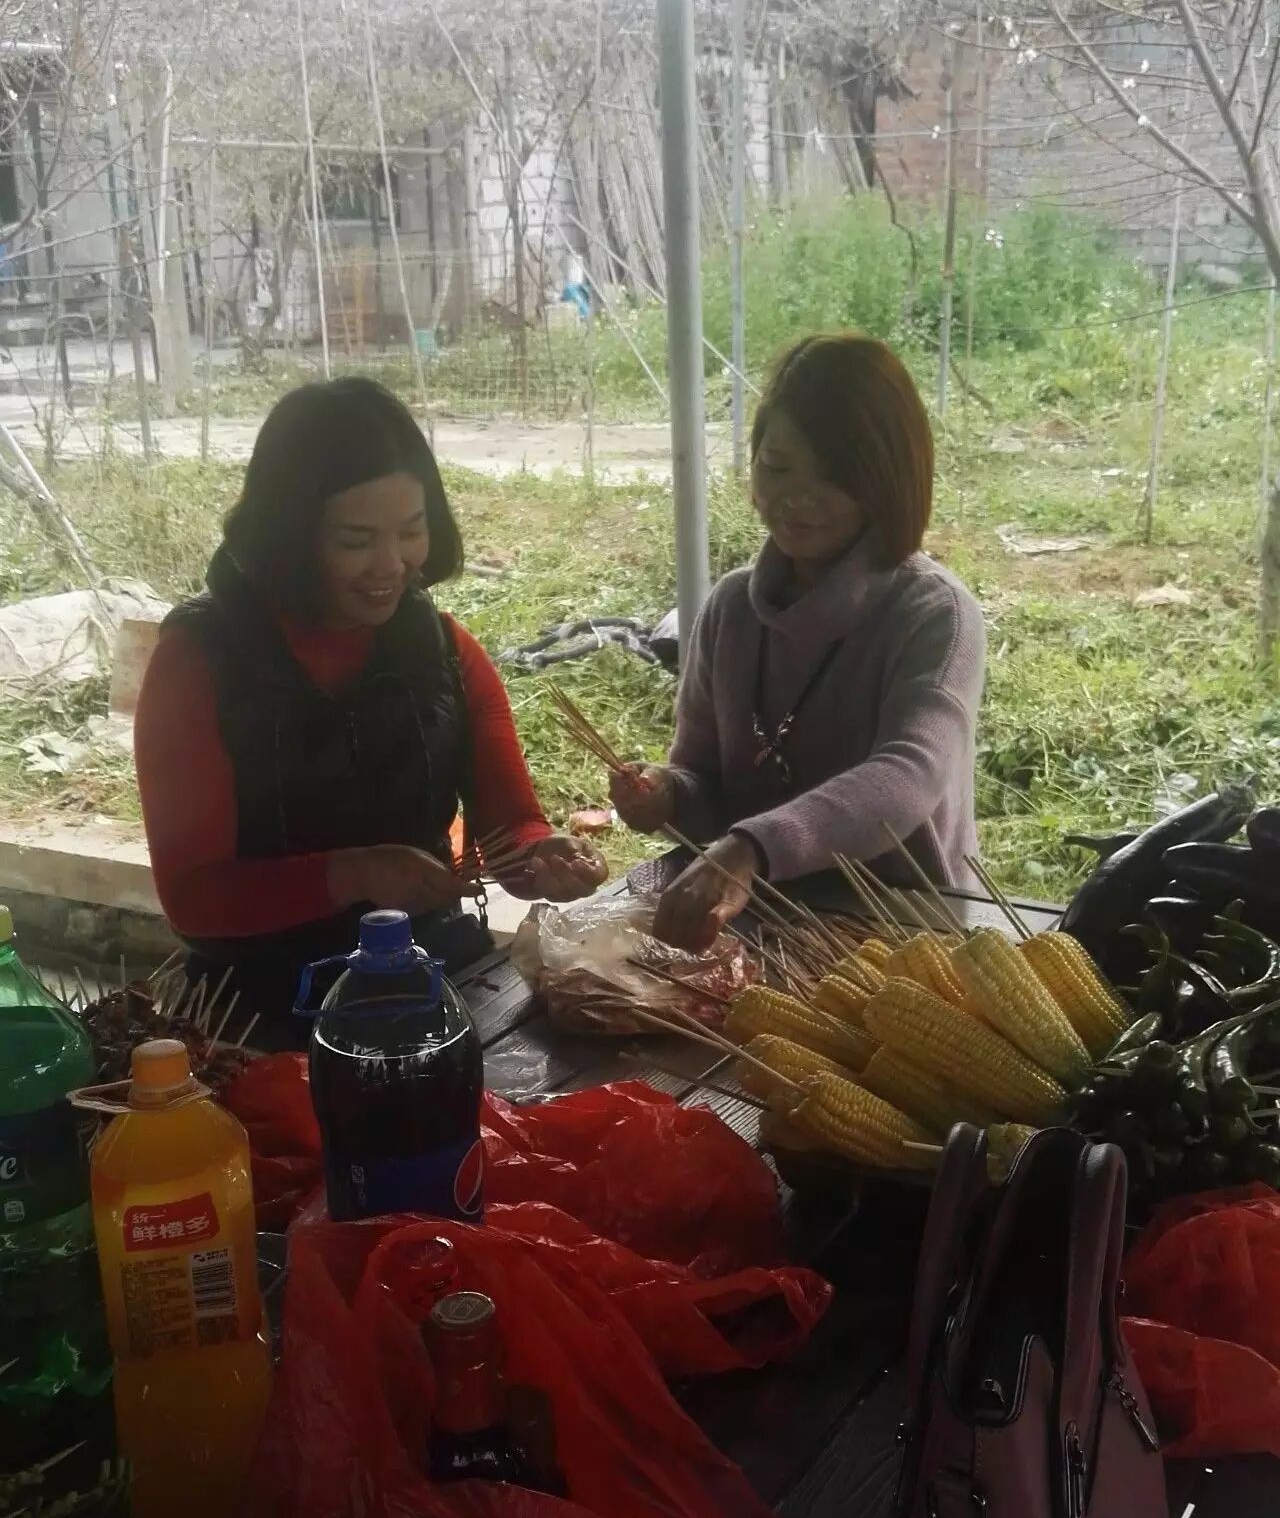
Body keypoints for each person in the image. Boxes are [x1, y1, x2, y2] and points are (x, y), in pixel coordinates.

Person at [135, 377, 605, 1033]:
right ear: (290, 537)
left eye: (411, 531)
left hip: (426, 977)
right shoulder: (199, 661)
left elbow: (511, 827)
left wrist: (543, 856)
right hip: (255, 1004)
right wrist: (351, 874)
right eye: (355, 541)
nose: (391, 564)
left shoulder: (445, 650)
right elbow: (193, 897)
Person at [611, 332, 985, 952]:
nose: (797, 498)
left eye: (833, 476)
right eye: (777, 467)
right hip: (751, 926)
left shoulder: (934, 615)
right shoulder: (731, 610)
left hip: (902, 935)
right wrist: (668, 795)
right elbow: (702, 779)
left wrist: (752, 848)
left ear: (887, 479)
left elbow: (908, 776)